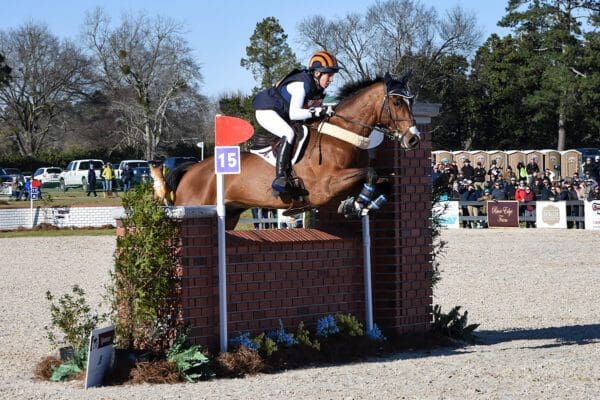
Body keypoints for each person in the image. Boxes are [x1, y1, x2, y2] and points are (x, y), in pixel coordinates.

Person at [252, 50, 341, 194]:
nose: (331, 80)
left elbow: (310, 114)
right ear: (317, 73)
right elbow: (295, 114)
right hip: (266, 109)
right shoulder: (302, 85)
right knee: (289, 133)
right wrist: (320, 111)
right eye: (329, 75)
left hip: (281, 112)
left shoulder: (316, 89)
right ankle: (280, 178)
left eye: (332, 76)